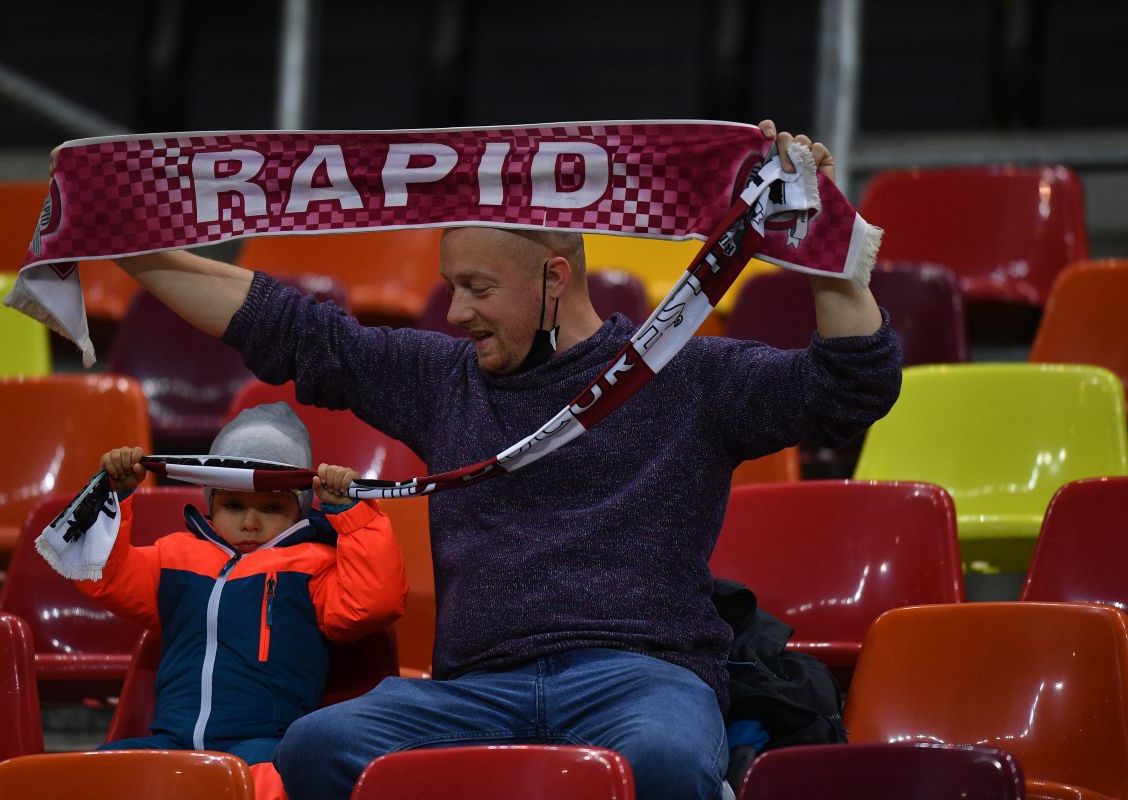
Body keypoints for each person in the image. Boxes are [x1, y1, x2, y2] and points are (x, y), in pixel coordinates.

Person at [99, 121, 901, 800]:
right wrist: (126, 245)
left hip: (638, 678)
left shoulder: (682, 373)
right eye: (452, 287)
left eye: (478, 288)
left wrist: (823, 247)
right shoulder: (442, 378)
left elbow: (850, 388)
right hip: (472, 694)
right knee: (314, 748)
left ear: (555, 279)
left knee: (663, 758)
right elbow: (291, 330)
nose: (457, 312)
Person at [76, 402, 407, 796]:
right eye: (234, 505)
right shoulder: (174, 555)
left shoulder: (314, 564)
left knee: (270, 788)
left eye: (271, 507)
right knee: (90, 778)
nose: (250, 521)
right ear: (211, 504)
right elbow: (100, 573)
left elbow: (374, 602)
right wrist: (114, 493)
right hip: (170, 742)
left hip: (263, 748)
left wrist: (353, 515)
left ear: (299, 508)